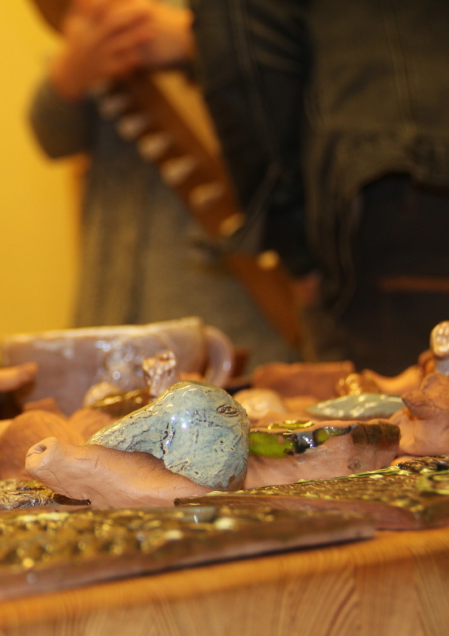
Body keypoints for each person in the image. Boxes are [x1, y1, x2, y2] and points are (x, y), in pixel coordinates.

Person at [29, 0, 293, 371]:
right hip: (112, 290)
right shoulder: (101, 37)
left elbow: (295, 68)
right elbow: (53, 137)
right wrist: (70, 73)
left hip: (230, 295)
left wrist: (194, 40)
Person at [191, 0, 449, 375]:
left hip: (397, 187)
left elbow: (241, 48)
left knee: (388, 408)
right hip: (400, 178)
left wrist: (295, 240)